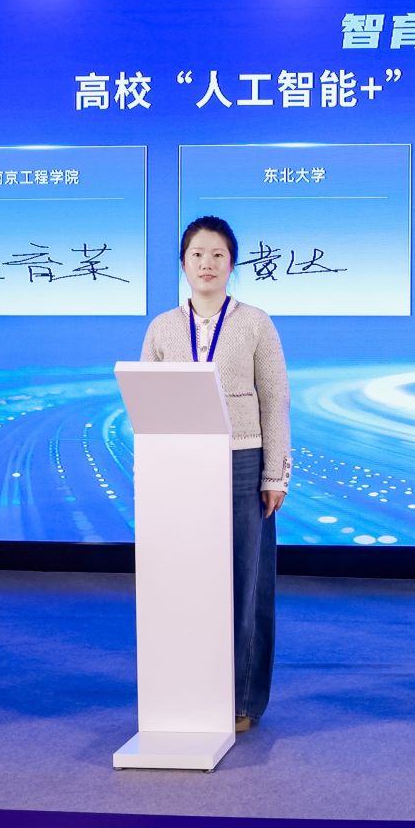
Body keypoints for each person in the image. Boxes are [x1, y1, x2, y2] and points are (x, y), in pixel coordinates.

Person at [140, 215, 291, 733]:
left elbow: (276, 399)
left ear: (232, 263)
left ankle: (243, 699)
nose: (207, 263)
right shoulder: (162, 327)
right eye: (197, 254)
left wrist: (275, 474)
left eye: (218, 255)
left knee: (246, 581)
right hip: (179, 465)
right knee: (183, 578)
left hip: (243, 461)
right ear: (183, 263)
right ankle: (189, 688)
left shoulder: (255, 322)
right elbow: (145, 403)